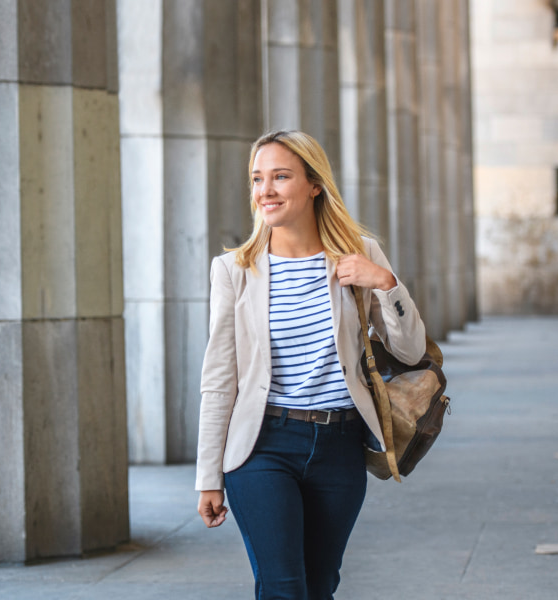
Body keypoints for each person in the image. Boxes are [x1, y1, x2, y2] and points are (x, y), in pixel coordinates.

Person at [195, 130, 426, 599]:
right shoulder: (235, 270)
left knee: (320, 586)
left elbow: (411, 352)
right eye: (258, 179)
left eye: (281, 176)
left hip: (338, 445)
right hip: (262, 444)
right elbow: (219, 379)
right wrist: (208, 477)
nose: (266, 190)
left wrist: (384, 282)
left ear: (314, 184)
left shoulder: (358, 254)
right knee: (284, 587)